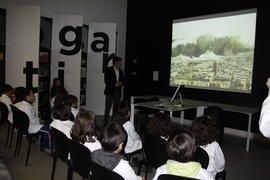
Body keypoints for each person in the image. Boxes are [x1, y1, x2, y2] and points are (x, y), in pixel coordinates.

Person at [104, 56, 124, 124]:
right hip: (110, 91)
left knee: (116, 108)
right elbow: (106, 81)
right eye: (120, 62)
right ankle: (105, 122)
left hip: (117, 92)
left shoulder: (121, 71)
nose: (121, 63)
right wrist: (114, 85)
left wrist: (121, 83)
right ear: (115, 62)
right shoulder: (108, 69)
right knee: (108, 107)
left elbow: (123, 80)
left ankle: (114, 121)